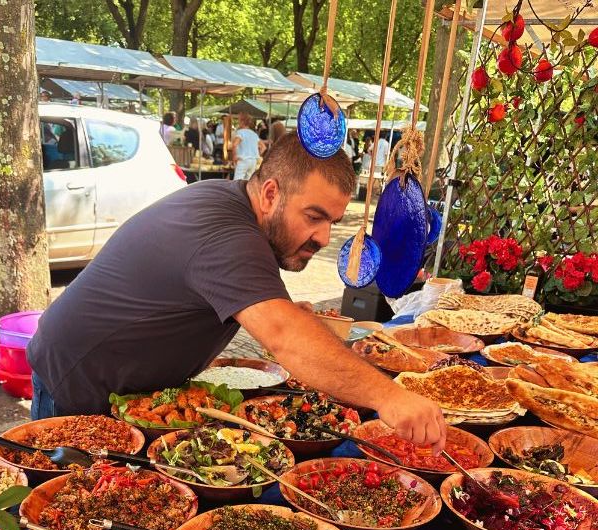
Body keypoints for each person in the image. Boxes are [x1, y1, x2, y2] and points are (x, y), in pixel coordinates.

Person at [27, 133, 446, 451]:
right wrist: (389, 397)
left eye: (333, 221)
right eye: (314, 217)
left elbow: (265, 311)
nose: (323, 237)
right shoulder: (228, 236)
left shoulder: (232, 203)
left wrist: (283, 312)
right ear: (269, 194)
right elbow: (284, 337)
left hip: (120, 387)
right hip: (75, 388)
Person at [232, 113, 264, 180]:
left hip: (243, 160)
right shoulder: (254, 134)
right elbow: (263, 147)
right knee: (248, 182)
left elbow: (234, 144)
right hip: (253, 161)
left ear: (242, 121)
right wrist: (257, 154)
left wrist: (234, 156)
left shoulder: (240, 132)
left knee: (237, 182)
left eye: (239, 121)